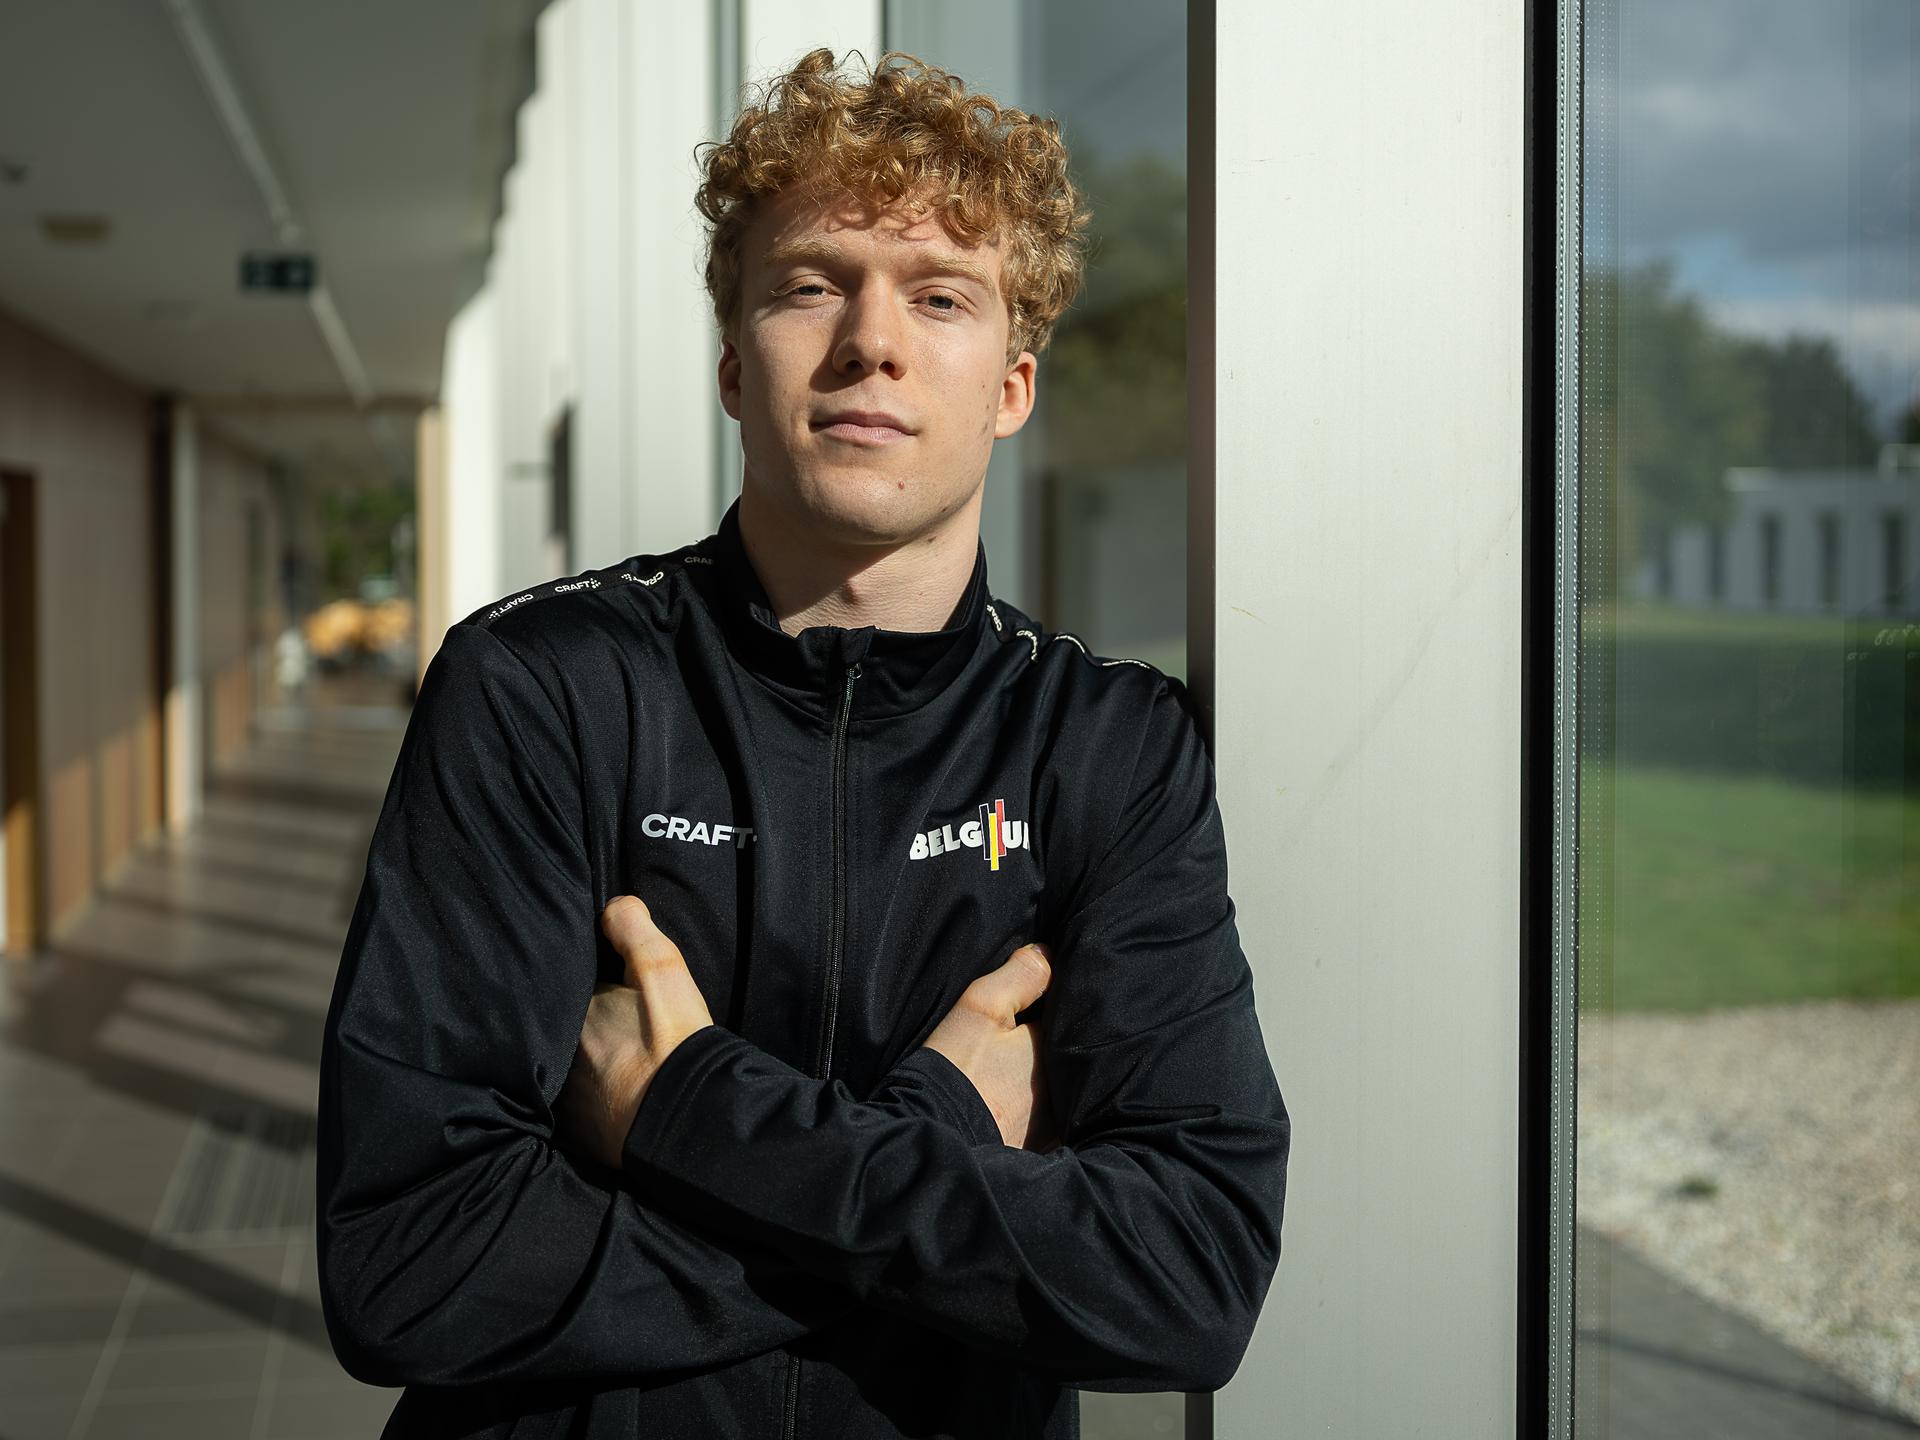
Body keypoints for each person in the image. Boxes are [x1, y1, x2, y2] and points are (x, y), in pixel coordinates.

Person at [316, 47, 1289, 1440]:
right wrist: (943, 1137)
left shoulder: (1107, 746)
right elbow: (413, 1263)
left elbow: (1187, 1278)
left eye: (939, 297)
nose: (870, 342)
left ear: (1012, 387)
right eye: (811, 284)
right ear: (732, 362)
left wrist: (688, 1111)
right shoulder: (544, 688)